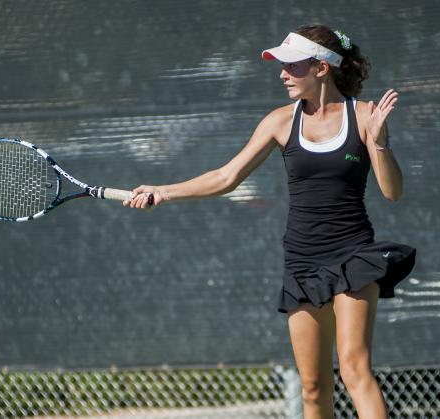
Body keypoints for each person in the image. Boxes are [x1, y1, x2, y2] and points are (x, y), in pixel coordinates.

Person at [123, 24, 416, 419]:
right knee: (313, 389)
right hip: (302, 260)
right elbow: (227, 177)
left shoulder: (365, 117)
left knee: (354, 369)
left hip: (353, 254)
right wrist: (164, 190)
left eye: (292, 66)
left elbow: (392, 191)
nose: (282, 74)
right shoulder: (279, 121)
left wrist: (379, 141)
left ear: (322, 69)